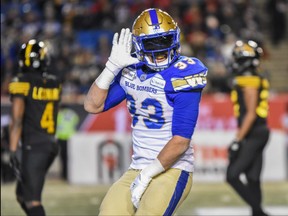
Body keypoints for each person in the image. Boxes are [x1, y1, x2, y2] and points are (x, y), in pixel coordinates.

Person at [84, 8, 208, 215]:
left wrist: (148, 174)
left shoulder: (185, 72)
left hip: (173, 168)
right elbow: (92, 105)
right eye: (152, 44)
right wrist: (111, 67)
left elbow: (181, 141)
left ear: (175, 39)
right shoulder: (132, 70)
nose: (160, 51)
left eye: (165, 41)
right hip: (137, 167)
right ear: (139, 45)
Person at [8, 39, 62, 216]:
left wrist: (13, 149)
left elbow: (16, 120)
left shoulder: (21, 81)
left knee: (32, 201)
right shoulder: (54, 82)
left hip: (34, 146)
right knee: (22, 195)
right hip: (50, 144)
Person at [226, 40, 270, 216]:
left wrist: (238, 139)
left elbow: (250, 114)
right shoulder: (253, 77)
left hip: (254, 133)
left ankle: (259, 212)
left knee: (232, 175)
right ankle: (257, 212)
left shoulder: (249, 80)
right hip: (258, 131)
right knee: (252, 178)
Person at [55, 104, 79, 180]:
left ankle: (64, 175)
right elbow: (76, 122)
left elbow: (56, 124)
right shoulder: (73, 114)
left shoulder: (59, 114)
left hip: (62, 137)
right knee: (71, 158)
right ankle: (72, 175)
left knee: (63, 158)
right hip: (71, 138)